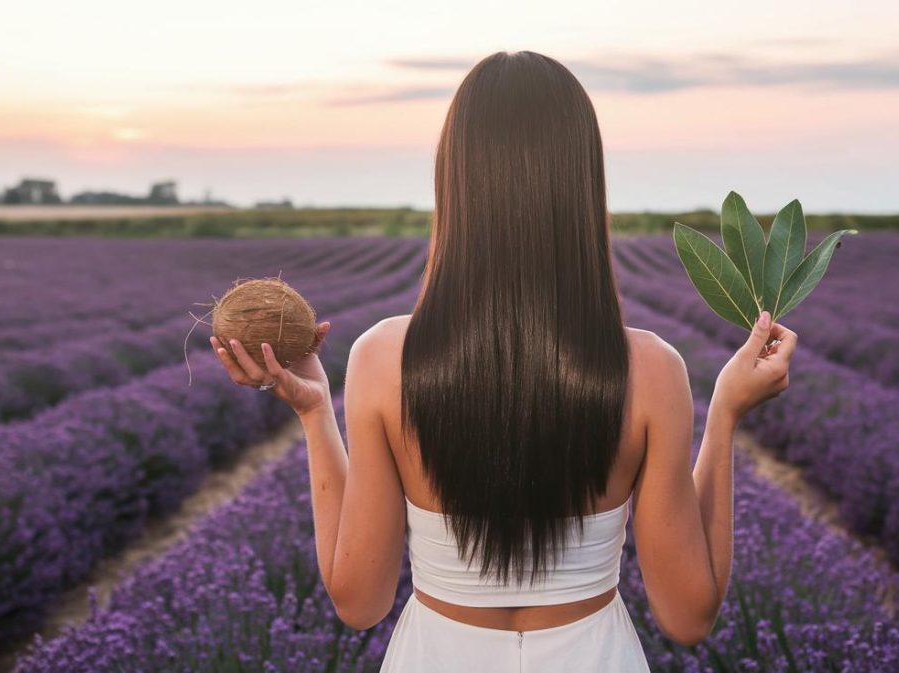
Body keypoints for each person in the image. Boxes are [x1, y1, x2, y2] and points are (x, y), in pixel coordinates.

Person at [210, 49, 796, 672]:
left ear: (453, 181)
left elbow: (359, 602)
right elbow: (689, 616)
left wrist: (313, 414)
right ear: (583, 182)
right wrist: (727, 412)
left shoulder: (383, 359)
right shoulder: (650, 369)